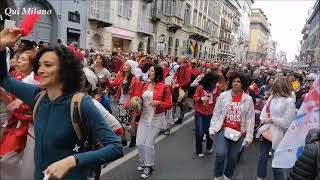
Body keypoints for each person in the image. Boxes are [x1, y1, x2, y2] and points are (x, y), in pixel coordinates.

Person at [0, 28, 124, 180]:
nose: (40, 70)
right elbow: (4, 79)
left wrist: (72, 161)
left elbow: (116, 147)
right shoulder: (37, 96)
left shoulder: (81, 104)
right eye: (39, 65)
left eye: (48, 65)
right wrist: (1, 46)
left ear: (65, 70)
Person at [209, 72, 255, 180]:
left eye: (238, 81)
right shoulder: (223, 96)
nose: (236, 84)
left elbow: (250, 119)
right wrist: (212, 129)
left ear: (243, 84)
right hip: (223, 129)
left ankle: (227, 175)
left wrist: (249, 136)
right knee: (220, 153)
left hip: (239, 132)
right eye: (234, 81)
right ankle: (218, 175)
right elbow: (216, 113)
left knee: (233, 157)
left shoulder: (248, 99)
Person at [256, 76, 296, 180]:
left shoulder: (289, 101)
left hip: (281, 135)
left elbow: (287, 122)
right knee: (262, 158)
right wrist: (264, 119)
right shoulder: (272, 97)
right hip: (267, 132)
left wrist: (272, 119)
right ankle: (260, 177)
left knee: (277, 164)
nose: (275, 85)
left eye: (277, 84)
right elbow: (264, 112)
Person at [136, 65, 172, 178]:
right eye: (149, 70)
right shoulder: (145, 84)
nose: (149, 72)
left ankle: (149, 166)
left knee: (148, 144)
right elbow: (140, 99)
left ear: (158, 74)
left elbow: (169, 105)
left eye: (152, 71)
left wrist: (159, 103)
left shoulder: (164, 87)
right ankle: (143, 161)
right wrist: (135, 102)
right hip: (144, 117)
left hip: (156, 118)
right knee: (139, 143)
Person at [105, 59, 142, 147]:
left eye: (126, 65)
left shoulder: (135, 80)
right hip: (121, 103)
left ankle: (133, 138)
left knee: (129, 126)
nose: (124, 66)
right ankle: (124, 140)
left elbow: (136, 96)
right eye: (124, 65)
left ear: (131, 68)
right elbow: (112, 85)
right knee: (122, 124)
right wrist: (105, 80)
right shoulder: (120, 77)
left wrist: (128, 103)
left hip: (131, 105)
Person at [193, 72, 221, 158]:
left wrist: (219, 99)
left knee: (209, 132)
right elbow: (195, 97)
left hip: (211, 113)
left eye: (217, 81)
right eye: (215, 81)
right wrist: (201, 98)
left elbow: (221, 97)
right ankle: (199, 151)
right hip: (200, 112)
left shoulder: (217, 88)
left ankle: (209, 147)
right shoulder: (200, 87)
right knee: (200, 132)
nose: (216, 83)